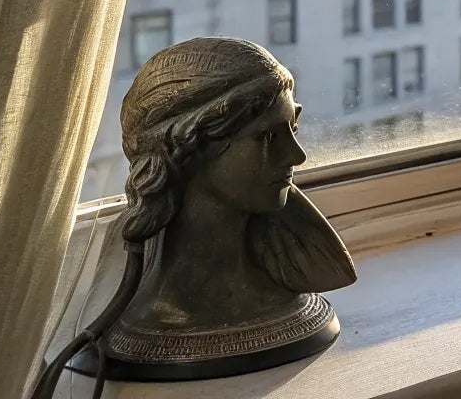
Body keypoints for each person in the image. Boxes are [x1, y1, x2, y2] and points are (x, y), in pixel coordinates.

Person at [34, 38, 355, 394]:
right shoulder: (150, 310)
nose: (296, 156)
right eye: (267, 137)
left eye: (291, 130)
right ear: (189, 149)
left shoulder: (283, 270)